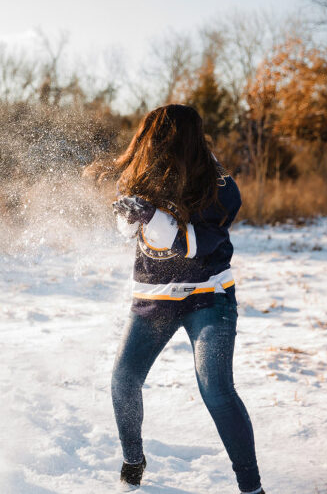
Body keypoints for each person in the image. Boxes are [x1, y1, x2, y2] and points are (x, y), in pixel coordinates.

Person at [110, 104, 265, 494]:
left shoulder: (220, 186)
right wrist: (131, 217)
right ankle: (133, 462)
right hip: (153, 299)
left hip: (207, 298)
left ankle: (252, 487)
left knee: (215, 389)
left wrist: (151, 216)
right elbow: (130, 233)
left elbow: (189, 245)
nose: (152, 144)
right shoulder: (141, 174)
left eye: (159, 137)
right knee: (123, 381)